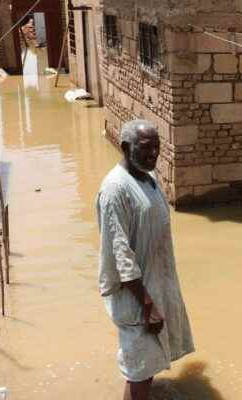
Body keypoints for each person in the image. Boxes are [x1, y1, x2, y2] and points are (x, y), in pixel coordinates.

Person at [96, 119, 194, 400]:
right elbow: (120, 254)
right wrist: (147, 304)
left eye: (157, 147)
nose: (154, 154)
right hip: (137, 294)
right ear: (126, 148)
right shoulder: (115, 190)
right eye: (146, 147)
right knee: (138, 366)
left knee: (148, 360)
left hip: (155, 283)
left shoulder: (147, 179)